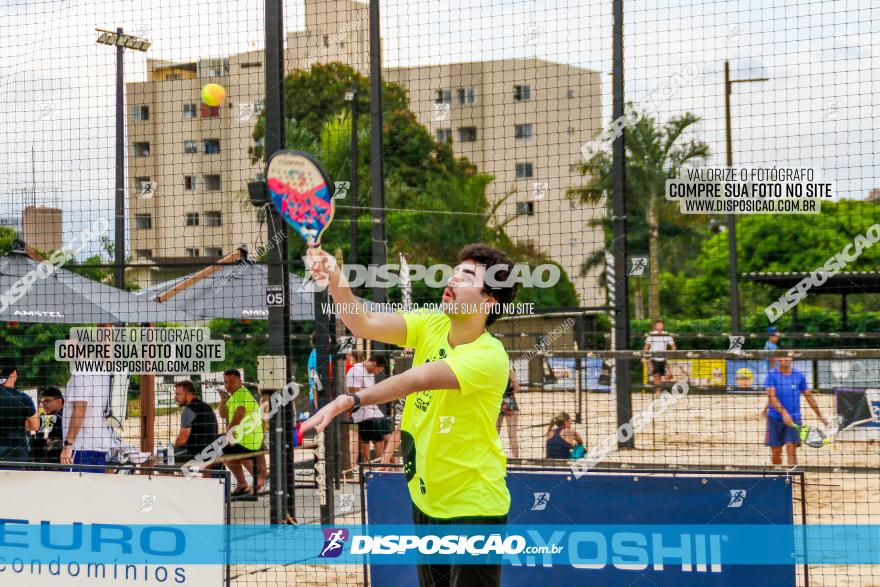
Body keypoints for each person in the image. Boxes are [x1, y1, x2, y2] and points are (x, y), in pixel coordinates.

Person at [301, 243, 518, 587]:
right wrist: (335, 277)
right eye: (456, 269)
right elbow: (362, 322)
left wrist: (350, 401)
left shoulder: (490, 357)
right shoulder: (431, 323)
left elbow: (413, 380)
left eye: (468, 275)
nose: (454, 277)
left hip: (473, 508)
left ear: (489, 300)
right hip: (426, 499)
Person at [765, 356, 829, 466]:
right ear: (778, 359)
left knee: (791, 450)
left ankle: (791, 480)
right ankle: (777, 477)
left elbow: (808, 396)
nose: (785, 359)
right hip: (774, 418)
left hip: (794, 418)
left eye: (788, 357)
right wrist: (784, 413)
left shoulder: (799, 375)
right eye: (783, 357)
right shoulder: (771, 375)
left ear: (791, 359)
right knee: (776, 452)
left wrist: (820, 415)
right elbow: (771, 397)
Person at [219, 369, 267, 496]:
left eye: (232, 382)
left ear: (240, 381)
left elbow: (239, 414)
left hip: (247, 440)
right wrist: (223, 398)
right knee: (226, 453)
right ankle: (245, 483)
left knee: (219, 449)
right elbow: (223, 414)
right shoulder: (238, 395)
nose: (228, 385)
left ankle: (257, 481)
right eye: (226, 382)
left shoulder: (241, 395)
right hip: (253, 438)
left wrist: (228, 435)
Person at [61, 366, 117, 470]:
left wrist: (68, 444)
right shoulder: (106, 371)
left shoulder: (81, 371)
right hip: (101, 444)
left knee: (74, 485)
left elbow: (80, 409)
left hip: (81, 447)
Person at [346, 354, 388, 472]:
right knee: (375, 441)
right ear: (374, 364)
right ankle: (379, 469)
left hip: (374, 411)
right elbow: (354, 395)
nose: (378, 372)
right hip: (363, 412)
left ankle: (385, 467)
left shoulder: (370, 373)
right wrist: (351, 410)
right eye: (379, 369)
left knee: (389, 437)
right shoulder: (356, 371)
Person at [173, 380, 219, 464]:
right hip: (212, 449)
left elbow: (182, 440)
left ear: (187, 394)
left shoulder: (188, 410)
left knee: (162, 457)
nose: (175, 398)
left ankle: (170, 475)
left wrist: (173, 447)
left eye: (178, 394)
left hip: (197, 452)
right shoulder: (206, 406)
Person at [0, 364, 39, 463]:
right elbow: (35, 426)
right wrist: (24, 424)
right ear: (14, 373)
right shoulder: (23, 398)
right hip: (16, 452)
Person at [644, 319, 676, 397]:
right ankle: (658, 392)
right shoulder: (651, 335)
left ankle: (662, 388)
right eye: (657, 325)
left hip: (663, 358)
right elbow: (646, 346)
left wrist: (673, 353)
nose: (659, 326)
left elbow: (673, 346)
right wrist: (644, 356)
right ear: (655, 326)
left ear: (663, 326)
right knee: (656, 376)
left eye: (661, 325)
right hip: (653, 358)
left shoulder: (667, 335)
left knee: (669, 375)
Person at [33, 387, 64, 464]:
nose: (43, 405)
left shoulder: (48, 419)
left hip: (53, 466)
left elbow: (40, 446)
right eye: (41, 402)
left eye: (46, 401)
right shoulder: (47, 418)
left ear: (59, 401)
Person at [496, 366, 520, 458]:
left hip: (496, 402)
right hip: (509, 402)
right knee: (512, 435)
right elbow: (517, 388)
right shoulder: (509, 370)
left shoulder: (492, 368)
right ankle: (517, 462)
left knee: (494, 435)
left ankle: (495, 459)